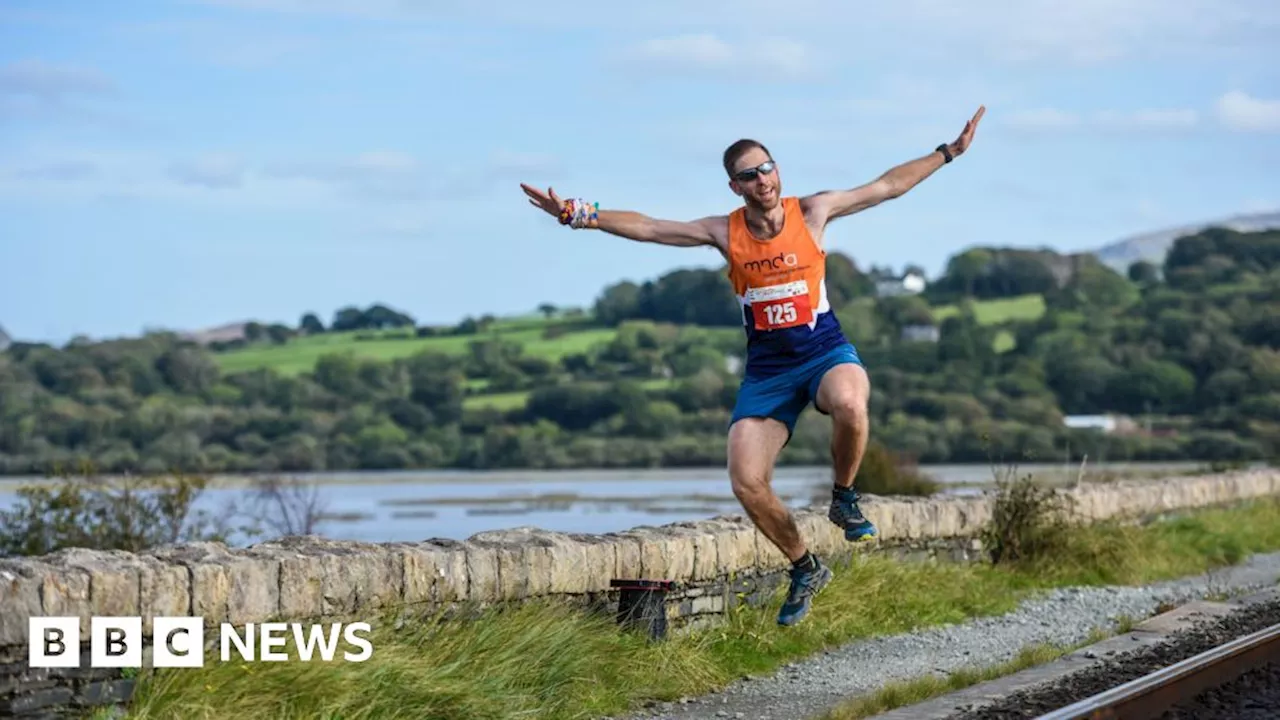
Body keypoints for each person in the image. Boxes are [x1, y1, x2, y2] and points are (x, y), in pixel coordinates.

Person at [520, 106, 985, 626]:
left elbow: (886, 187)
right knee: (746, 481)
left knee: (852, 401)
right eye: (749, 174)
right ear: (734, 186)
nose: (762, 179)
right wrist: (577, 213)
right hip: (767, 372)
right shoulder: (724, 232)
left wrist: (947, 154)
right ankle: (804, 566)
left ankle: (844, 498)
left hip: (823, 352)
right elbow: (651, 227)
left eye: (768, 168)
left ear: (777, 171)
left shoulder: (813, 212)